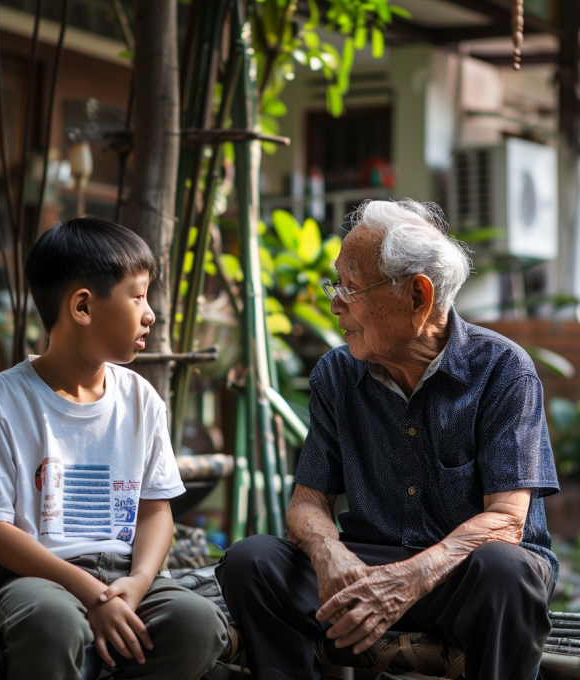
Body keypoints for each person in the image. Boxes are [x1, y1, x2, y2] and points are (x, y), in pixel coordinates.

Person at [217, 199, 559, 680]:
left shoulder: (503, 370)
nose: (334, 303)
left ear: (418, 298)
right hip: (364, 567)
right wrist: (331, 554)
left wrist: (407, 579)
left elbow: (505, 520)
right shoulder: (337, 373)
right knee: (252, 561)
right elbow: (306, 504)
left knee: (508, 571)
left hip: (462, 577)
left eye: (351, 287)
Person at [0, 217, 231, 680]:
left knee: (196, 623)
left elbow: (156, 512)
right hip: (32, 577)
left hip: (126, 573)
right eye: (138, 296)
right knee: (53, 626)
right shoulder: (3, 400)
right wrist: (89, 592)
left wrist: (136, 584)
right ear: (82, 306)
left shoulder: (141, 400)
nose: (150, 312)